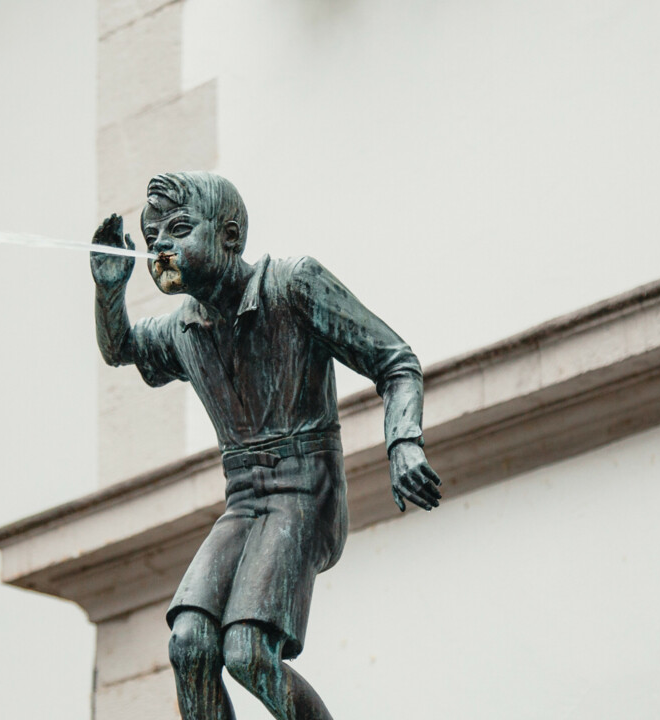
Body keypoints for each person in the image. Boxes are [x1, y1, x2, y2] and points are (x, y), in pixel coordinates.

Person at [91, 171, 444, 720]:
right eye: (154, 236)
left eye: (178, 229)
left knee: (248, 652)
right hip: (245, 500)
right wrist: (110, 292)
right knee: (188, 643)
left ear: (229, 236)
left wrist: (404, 444)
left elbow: (395, 362)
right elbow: (122, 350)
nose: (161, 247)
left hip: (307, 491)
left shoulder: (293, 285)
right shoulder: (184, 328)